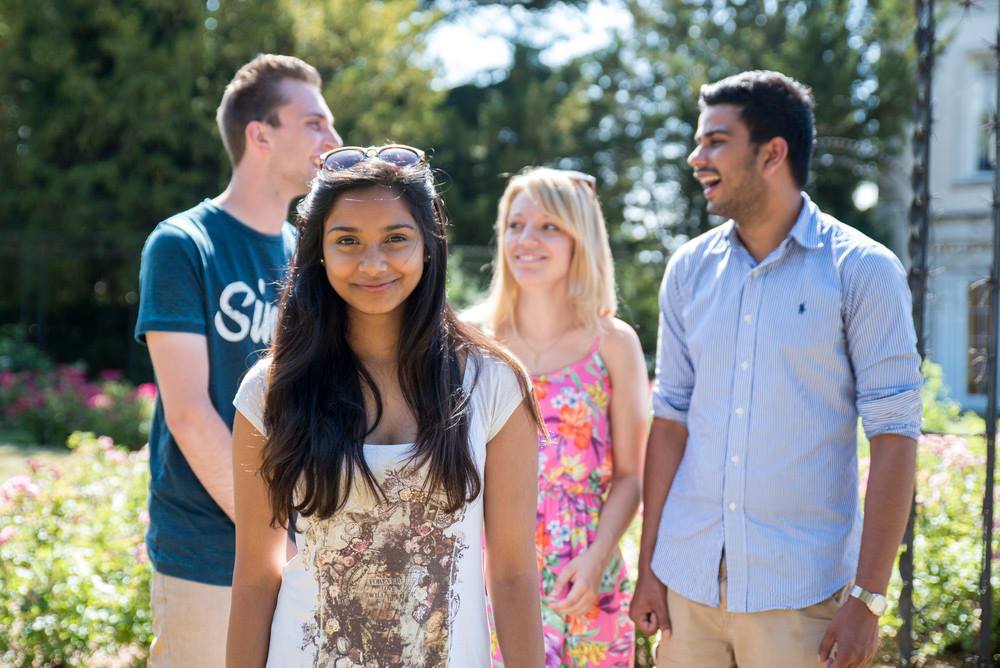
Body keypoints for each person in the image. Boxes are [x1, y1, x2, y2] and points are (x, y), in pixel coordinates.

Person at [629, 70, 922, 668]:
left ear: (772, 153)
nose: (696, 157)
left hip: (801, 600)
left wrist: (867, 599)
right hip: (689, 588)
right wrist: (650, 569)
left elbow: (895, 435)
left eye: (715, 141)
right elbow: (671, 423)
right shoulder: (688, 270)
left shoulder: (863, 271)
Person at [225, 146, 546, 667]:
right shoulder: (270, 390)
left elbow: (511, 572)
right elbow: (257, 577)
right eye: (347, 241)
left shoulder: (494, 382)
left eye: (396, 238)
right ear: (319, 252)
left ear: (429, 246)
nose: (372, 263)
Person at [135, 54, 341, 667]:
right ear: (260, 134)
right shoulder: (182, 244)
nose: (332, 141)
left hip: (301, 551)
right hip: (208, 556)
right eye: (314, 123)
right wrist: (279, 536)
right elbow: (191, 415)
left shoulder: (311, 259)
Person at [469, 167, 648, 667]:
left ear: (580, 239)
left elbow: (633, 476)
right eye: (515, 225)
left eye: (549, 226)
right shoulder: (470, 341)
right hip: (492, 573)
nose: (527, 240)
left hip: (588, 576)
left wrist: (595, 562)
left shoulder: (613, 343)